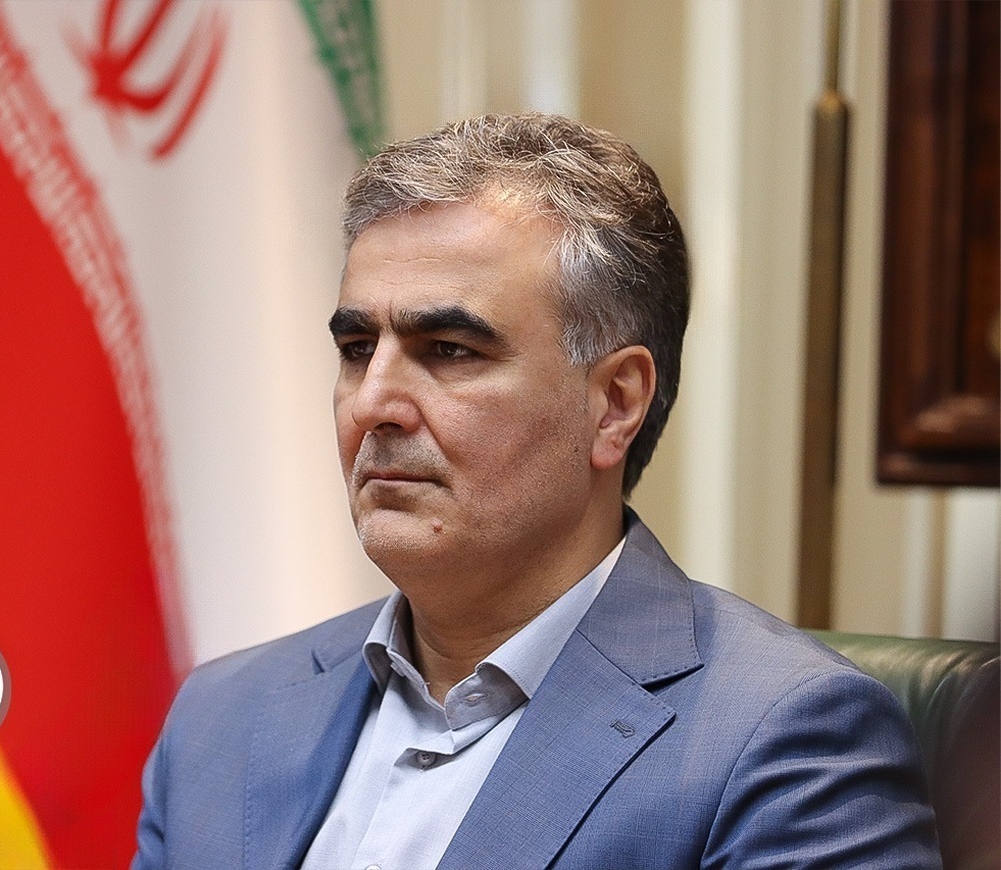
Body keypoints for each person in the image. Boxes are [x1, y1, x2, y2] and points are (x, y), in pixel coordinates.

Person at [132, 113, 940, 869]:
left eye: (448, 350)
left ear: (614, 404)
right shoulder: (220, 720)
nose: (373, 402)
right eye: (356, 348)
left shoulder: (785, 740)